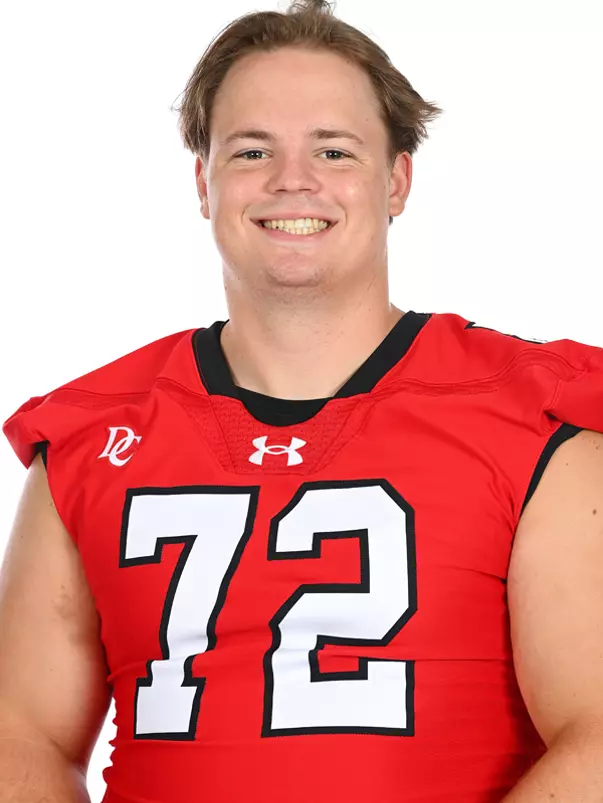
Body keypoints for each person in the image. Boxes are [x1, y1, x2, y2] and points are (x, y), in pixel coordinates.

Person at [2, 0, 603, 801]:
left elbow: (594, 733)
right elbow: (23, 736)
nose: (293, 179)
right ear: (203, 181)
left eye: (333, 149)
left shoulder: (531, 419)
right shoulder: (92, 434)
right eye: (252, 150)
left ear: (396, 180)